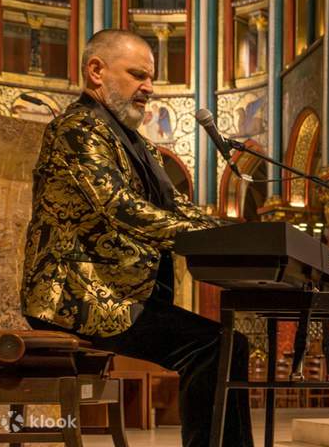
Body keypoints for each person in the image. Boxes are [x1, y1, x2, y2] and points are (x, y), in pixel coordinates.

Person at [21, 29, 253, 447]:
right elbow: (120, 207)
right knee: (215, 347)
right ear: (96, 71)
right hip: (74, 297)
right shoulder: (77, 127)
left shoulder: (134, 142)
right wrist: (215, 238)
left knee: (226, 344)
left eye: (151, 77)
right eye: (137, 75)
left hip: (116, 292)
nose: (149, 88)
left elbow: (178, 207)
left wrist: (244, 236)